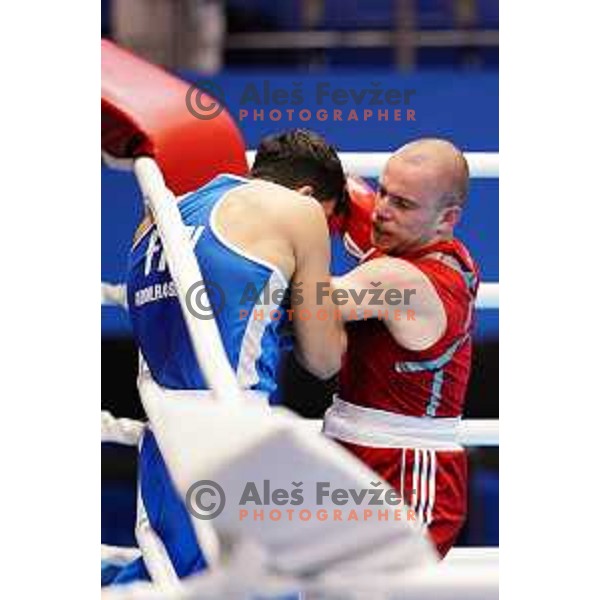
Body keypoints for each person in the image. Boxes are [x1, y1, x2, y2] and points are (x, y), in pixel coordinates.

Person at [114, 129, 347, 583]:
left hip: (163, 440)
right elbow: (324, 358)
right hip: (233, 433)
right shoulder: (299, 211)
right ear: (306, 194)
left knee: (170, 579)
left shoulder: (161, 216)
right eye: (330, 218)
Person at [322, 138, 480, 557]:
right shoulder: (400, 236)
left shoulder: (405, 282)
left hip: (405, 472)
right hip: (346, 452)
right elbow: (328, 185)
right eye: (383, 190)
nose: (382, 209)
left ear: (447, 219)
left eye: (403, 204)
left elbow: (301, 303)